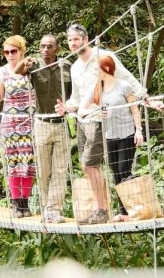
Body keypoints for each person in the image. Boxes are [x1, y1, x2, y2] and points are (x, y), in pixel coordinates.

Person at [55, 23, 144, 224]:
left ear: (85, 40)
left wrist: (145, 98)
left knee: (90, 165)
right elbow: (76, 99)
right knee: (105, 167)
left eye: (76, 39)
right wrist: (65, 108)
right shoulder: (76, 67)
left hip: (101, 120)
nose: (72, 43)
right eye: (69, 40)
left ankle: (101, 209)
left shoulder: (104, 57)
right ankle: (118, 210)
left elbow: (128, 79)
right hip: (82, 121)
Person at [15, 34, 72, 223]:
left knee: (60, 170)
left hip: (61, 124)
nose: (46, 50)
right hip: (41, 124)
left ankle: (54, 210)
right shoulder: (34, 66)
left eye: (49, 46)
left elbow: (77, 92)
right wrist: (24, 61)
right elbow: (17, 71)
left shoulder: (67, 66)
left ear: (57, 49)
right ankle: (46, 208)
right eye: (42, 47)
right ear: (39, 49)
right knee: (44, 170)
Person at [0, 35, 36, 218]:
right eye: (6, 52)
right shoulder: (2, 72)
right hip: (10, 124)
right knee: (13, 163)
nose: (9, 55)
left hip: (29, 122)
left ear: (21, 51)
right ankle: (15, 204)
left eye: (13, 51)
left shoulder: (30, 68)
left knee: (28, 163)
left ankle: (25, 202)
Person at [92, 55, 143, 222]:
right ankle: (124, 212)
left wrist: (138, 131)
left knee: (124, 170)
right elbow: (95, 111)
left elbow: (135, 110)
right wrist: (100, 113)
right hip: (110, 135)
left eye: (96, 69)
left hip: (127, 133)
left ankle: (133, 208)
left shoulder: (124, 86)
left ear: (105, 69)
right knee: (115, 172)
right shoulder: (98, 89)